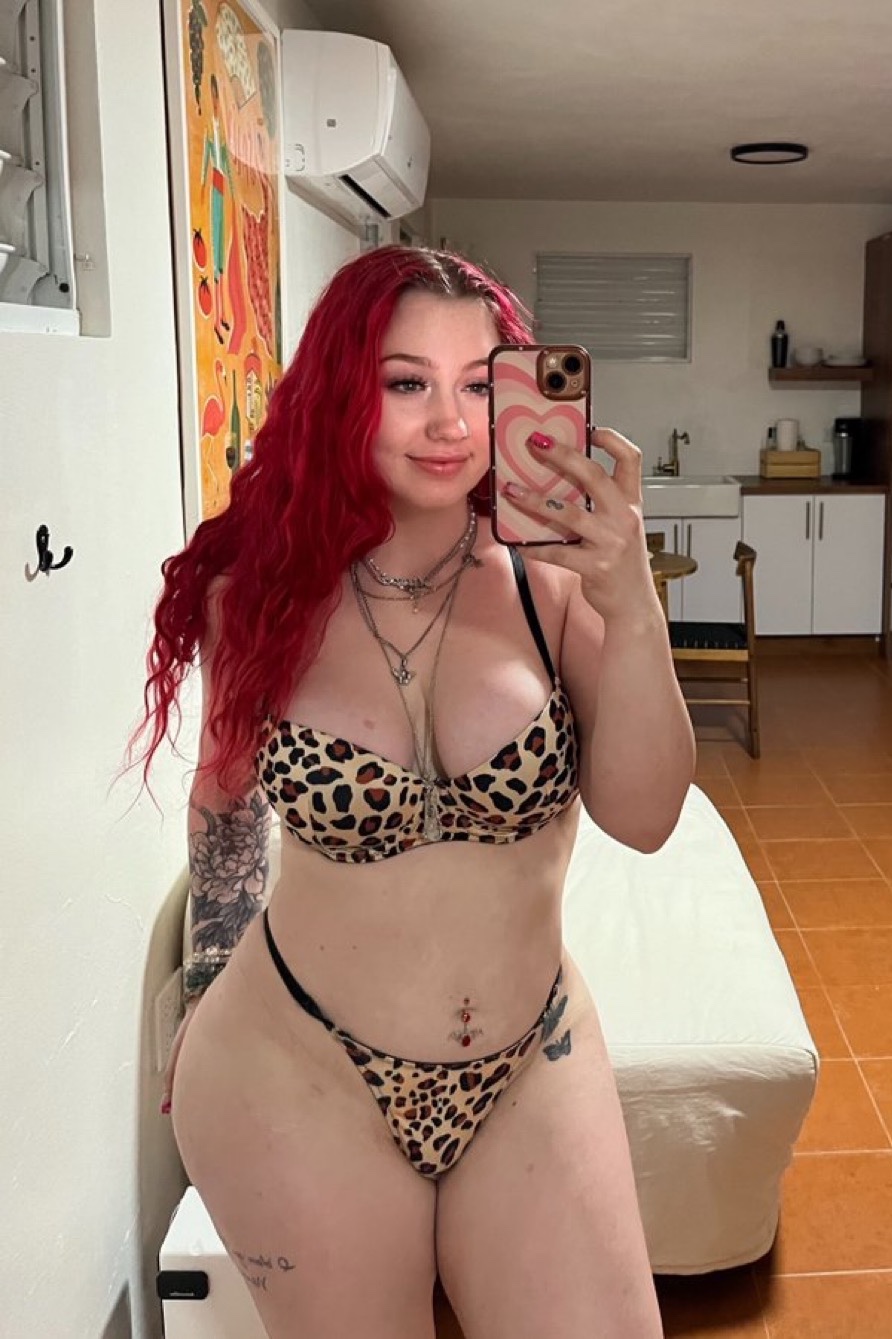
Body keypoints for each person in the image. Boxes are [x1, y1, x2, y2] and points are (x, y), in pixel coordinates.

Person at [137, 245, 695, 1338]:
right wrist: (202, 983)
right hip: (294, 1066)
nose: (448, 421)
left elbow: (645, 818)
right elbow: (224, 803)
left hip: (530, 1057)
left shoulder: (555, 585)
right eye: (406, 382)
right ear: (342, 392)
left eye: (479, 384)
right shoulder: (258, 596)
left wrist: (632, 606)